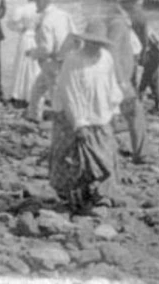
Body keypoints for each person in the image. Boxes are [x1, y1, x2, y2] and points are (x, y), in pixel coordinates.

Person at [49, 20, 123, 212]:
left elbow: (111, 84)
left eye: (98, 43)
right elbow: (69, 92)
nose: (95, 47)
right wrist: (79, 123)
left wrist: (115, 110)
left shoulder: (106, 58)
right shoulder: (73, 60)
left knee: (104, 157)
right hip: (74, 118)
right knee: (73, 160)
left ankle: (102, 195)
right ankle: (75, 198)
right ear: (85, 42)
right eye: (91, 43)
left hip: (101, 116)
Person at [104, 0, 150, 164]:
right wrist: (120, 79)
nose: (141, 4)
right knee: (135, 113)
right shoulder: (119, 23)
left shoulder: (119, 20)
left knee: (115, 115)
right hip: (120, 78)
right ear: (129, 4)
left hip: (120, 76)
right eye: (138, 2)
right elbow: (112, 50)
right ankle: (141, 154)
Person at [24, 0, 76, 121]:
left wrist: (33, 53)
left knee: (55, 94)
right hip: (66, 58)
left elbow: (46, 48)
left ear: (42, 2)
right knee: (38, 89)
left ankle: (61, 120)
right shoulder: (64, 14)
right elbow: (74, 35)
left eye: (36, 2)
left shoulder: (45, 21)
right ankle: (33, 116)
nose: (35, 5)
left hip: (51, 62)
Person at [119, 0, 159, 111]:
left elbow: (144, 39)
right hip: (152, 50)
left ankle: (138, 100)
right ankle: (157, 102)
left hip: (145, 50)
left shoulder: (129, 16)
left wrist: (142, 53)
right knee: (152, 77)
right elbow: (144, 37)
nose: (142, 1)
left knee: (135, 78)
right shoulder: (139, 15)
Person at [6, 0, 41, 108]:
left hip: (26, 37)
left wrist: (20, 29)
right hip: (38, 38)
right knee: (35, 67)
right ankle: (32, 94)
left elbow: (10, 23)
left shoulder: (23, 9)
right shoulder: (42, 10)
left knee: (21, 65)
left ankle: (18, 93)